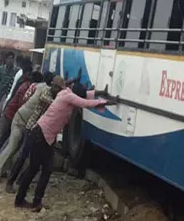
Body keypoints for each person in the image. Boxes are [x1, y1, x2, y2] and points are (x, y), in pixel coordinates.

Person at [15, 82, 113, 211]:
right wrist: (107, 102)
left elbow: (84, 96)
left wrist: (100, 93)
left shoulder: (67, 93)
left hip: (45, 136)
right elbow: (85, 102)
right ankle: (22, 200)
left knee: (45, 169)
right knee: (35, 169)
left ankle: (35, 202)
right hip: (41, 136)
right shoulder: (69, 97)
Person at [4, 73, 59, 191]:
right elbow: (44, 99)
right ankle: (10, 182)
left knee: (35, 160)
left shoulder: (54, 94)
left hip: (38, 130)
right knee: (23, 156)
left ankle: (20, 181)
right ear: (53, 86)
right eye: (57, 88)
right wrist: (57, 103)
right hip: (30, 127)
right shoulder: (46, 91)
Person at [0, 71, 45, 181]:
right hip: (17, 119)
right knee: (11, 147)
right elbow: (22, 103)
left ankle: (4, 170)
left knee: (14, 148)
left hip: (20, 119)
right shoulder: (30, 88)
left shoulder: (31, 87)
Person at [0, 62, 33, 150]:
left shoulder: (23, 81)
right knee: (2, 133)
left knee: (3, 134)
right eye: (29, 74)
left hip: (10, 110)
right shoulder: (24, 84)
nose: (30, 76)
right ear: (26, 73)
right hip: (10, 112)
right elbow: (18, 100)